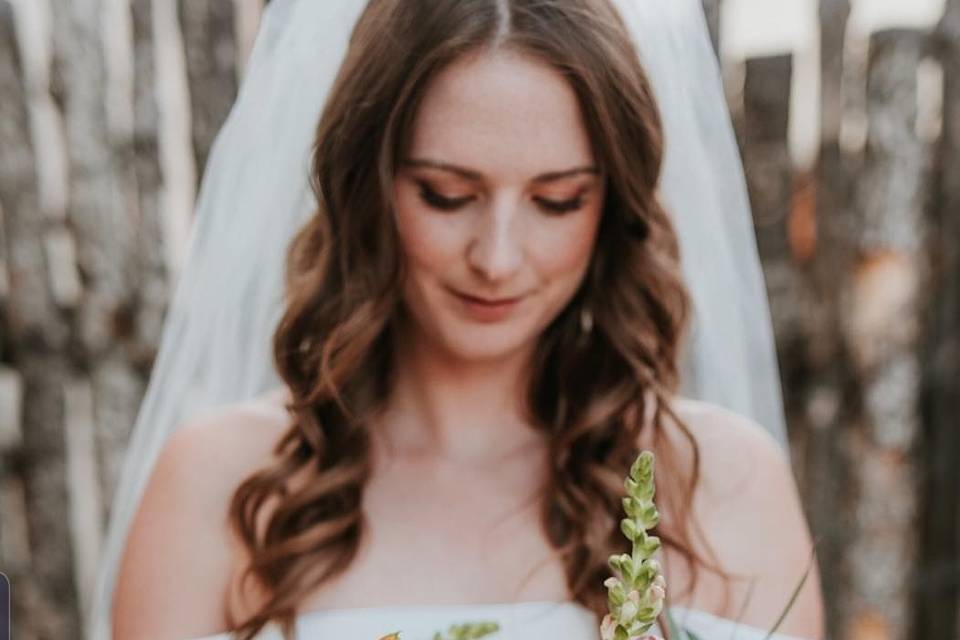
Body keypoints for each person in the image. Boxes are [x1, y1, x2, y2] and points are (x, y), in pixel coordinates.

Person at [97, 0, 826, 638]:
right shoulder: (222, 485)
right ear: (369, 185)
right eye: (447, 195)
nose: (498, 257)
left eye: (558, 200)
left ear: (613, 207)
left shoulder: (720, 483)